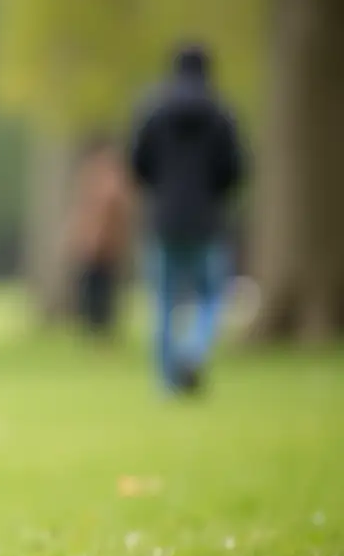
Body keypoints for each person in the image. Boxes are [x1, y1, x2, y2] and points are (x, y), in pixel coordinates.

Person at [129, 44, 245, 393]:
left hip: (164, 220)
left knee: (164, 302)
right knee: (211, 295)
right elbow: (234, 168)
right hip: (207, 221)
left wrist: (159, 191)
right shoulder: (222, 113)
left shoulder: (154, 111)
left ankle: (167, 384)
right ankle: (194, 350)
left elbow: (138, 162)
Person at [66, 136, 134, 337]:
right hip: (98, 245)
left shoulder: (104, 179)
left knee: (101, 289)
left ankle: (100, 329)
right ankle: (95, 328)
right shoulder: (104, 178)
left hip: (102, 246)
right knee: (95, 289)